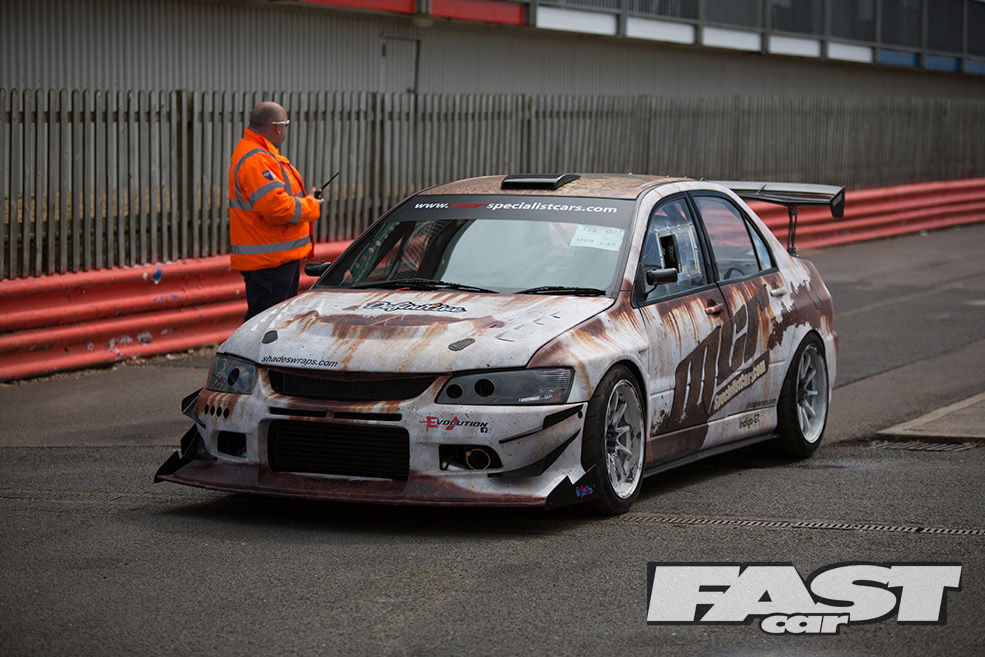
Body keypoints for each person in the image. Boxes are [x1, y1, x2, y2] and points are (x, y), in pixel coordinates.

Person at [228, 101, 323, 321]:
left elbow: (277, 201)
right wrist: (311, 205)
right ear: (278, 127)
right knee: (265, 325)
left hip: (275, 260)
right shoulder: (257, 160)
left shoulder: (259, 155)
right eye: (286, 125)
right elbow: (277, 209)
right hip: (270, 264)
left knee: (275, 323)